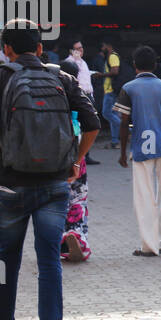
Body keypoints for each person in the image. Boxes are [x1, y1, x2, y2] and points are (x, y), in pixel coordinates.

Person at [0, 20, 99, 320]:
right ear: (40, 49)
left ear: (7, 50)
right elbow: (92, 123)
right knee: (49, 262)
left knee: (6, 258)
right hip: (54, 186)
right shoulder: (63, 78)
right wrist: (75, 160)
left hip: (11, 184)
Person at [115, 45, 161, 256]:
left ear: (134, 65)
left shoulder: (129, 88)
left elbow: (123, 123)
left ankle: (149, 245)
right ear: (155, 65)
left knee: (144, 197)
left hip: (141, 149)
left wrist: (121, 152)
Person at [58, 59, 92, 261]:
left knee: (56, 200)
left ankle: (58, 241)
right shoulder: (80, 96)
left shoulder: (52, 95)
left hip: (53, 157)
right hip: (77, 154)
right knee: (78, 199)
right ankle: (77, 236)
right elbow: (93, 125)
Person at [67, 41, 100, 164]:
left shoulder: (83, 62)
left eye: (81, 48)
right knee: (79, 127)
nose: (80, 50)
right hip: (78, 97)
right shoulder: (70, 63)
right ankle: (79, 156)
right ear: (71, 50)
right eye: (77, 48)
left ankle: (85, 155)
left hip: (87, 95)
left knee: (88, 125)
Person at [99, 41, 122, 148]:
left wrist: (101, 75)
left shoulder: (112, 56)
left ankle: (129, 129)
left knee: (106, 113)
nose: (102, 47)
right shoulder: (110, 56)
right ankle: (115, 141)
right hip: (110, 90)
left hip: (111, 90)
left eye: (103, 45)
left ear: (108, 45)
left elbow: (115, 71)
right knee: (114, 115)